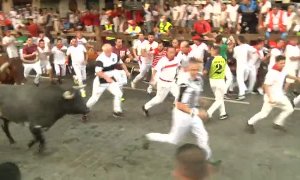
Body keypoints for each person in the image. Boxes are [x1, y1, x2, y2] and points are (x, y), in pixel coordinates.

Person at [145, 58, 213, 160]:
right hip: (182, 115)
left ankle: (206, 158)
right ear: (189, 68)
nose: (195, 72)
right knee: (173, 139)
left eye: (197, 69)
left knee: (203, 135)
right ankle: (148, 137)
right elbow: (179, 104)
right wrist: (197, 113)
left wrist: (201, 100)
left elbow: (195, 95)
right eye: (193, 69)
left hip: (192, 113)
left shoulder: (199, 79)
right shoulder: (184, 82)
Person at [246, 55, 300, 134]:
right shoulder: (271, 73)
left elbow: (286, 75)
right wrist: (270, 98)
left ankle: (277, 123)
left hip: (280, 96)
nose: (283, 64)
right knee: (264, 114)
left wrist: (297, 79)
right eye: (281, 63)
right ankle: (250, 123)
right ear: (276, 63)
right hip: (272, 97)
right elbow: (266, 85)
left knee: (289, 109)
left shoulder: (282, 70)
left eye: (284, 63)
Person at [84, 44, 124, 120]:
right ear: (104, 51)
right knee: (95, 98)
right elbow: (98, 72)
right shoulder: (100, 59)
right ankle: (84, 110)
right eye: (106, 51)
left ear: (111, 49)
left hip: (110, 81)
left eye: (109, 50)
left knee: (119, 93)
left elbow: (121, 63)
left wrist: (126, 71)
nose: (108, 52)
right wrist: (106, 77)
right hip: (100, 81)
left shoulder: (114, 56)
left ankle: (117, 111)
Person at [142, 47, 180, 117]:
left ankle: (175, 106)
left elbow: (179, 67)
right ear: (167, 52)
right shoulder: (162, 61)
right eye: (170, 52)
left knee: (179, 94)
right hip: (163, 83)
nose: (172, 54)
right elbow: (155, 70)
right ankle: (145, 107)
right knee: (159, 99)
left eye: (173, 52)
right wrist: (153, 79)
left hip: (172, 82)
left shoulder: (177, 59)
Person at [204, 45, 228, 120]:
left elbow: (205, 71)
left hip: (212, 81)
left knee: (219, 98)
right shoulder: (224, 58)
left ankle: (223, 113)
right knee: (219, 99)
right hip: (221, 81)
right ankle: (208, 113)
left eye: (211, 50)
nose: (210, 51)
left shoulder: (210, 59)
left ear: (214, 51)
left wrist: (204, 75)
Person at [233, 36, 252, 100]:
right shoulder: (247, 46)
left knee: (240, 80)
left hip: (240, 66)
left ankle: (241, 94)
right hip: (246, 66)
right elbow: (254, 51)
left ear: (239, 40)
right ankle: (244, 89)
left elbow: (235, 56)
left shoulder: (236, 48)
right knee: (243, 79)